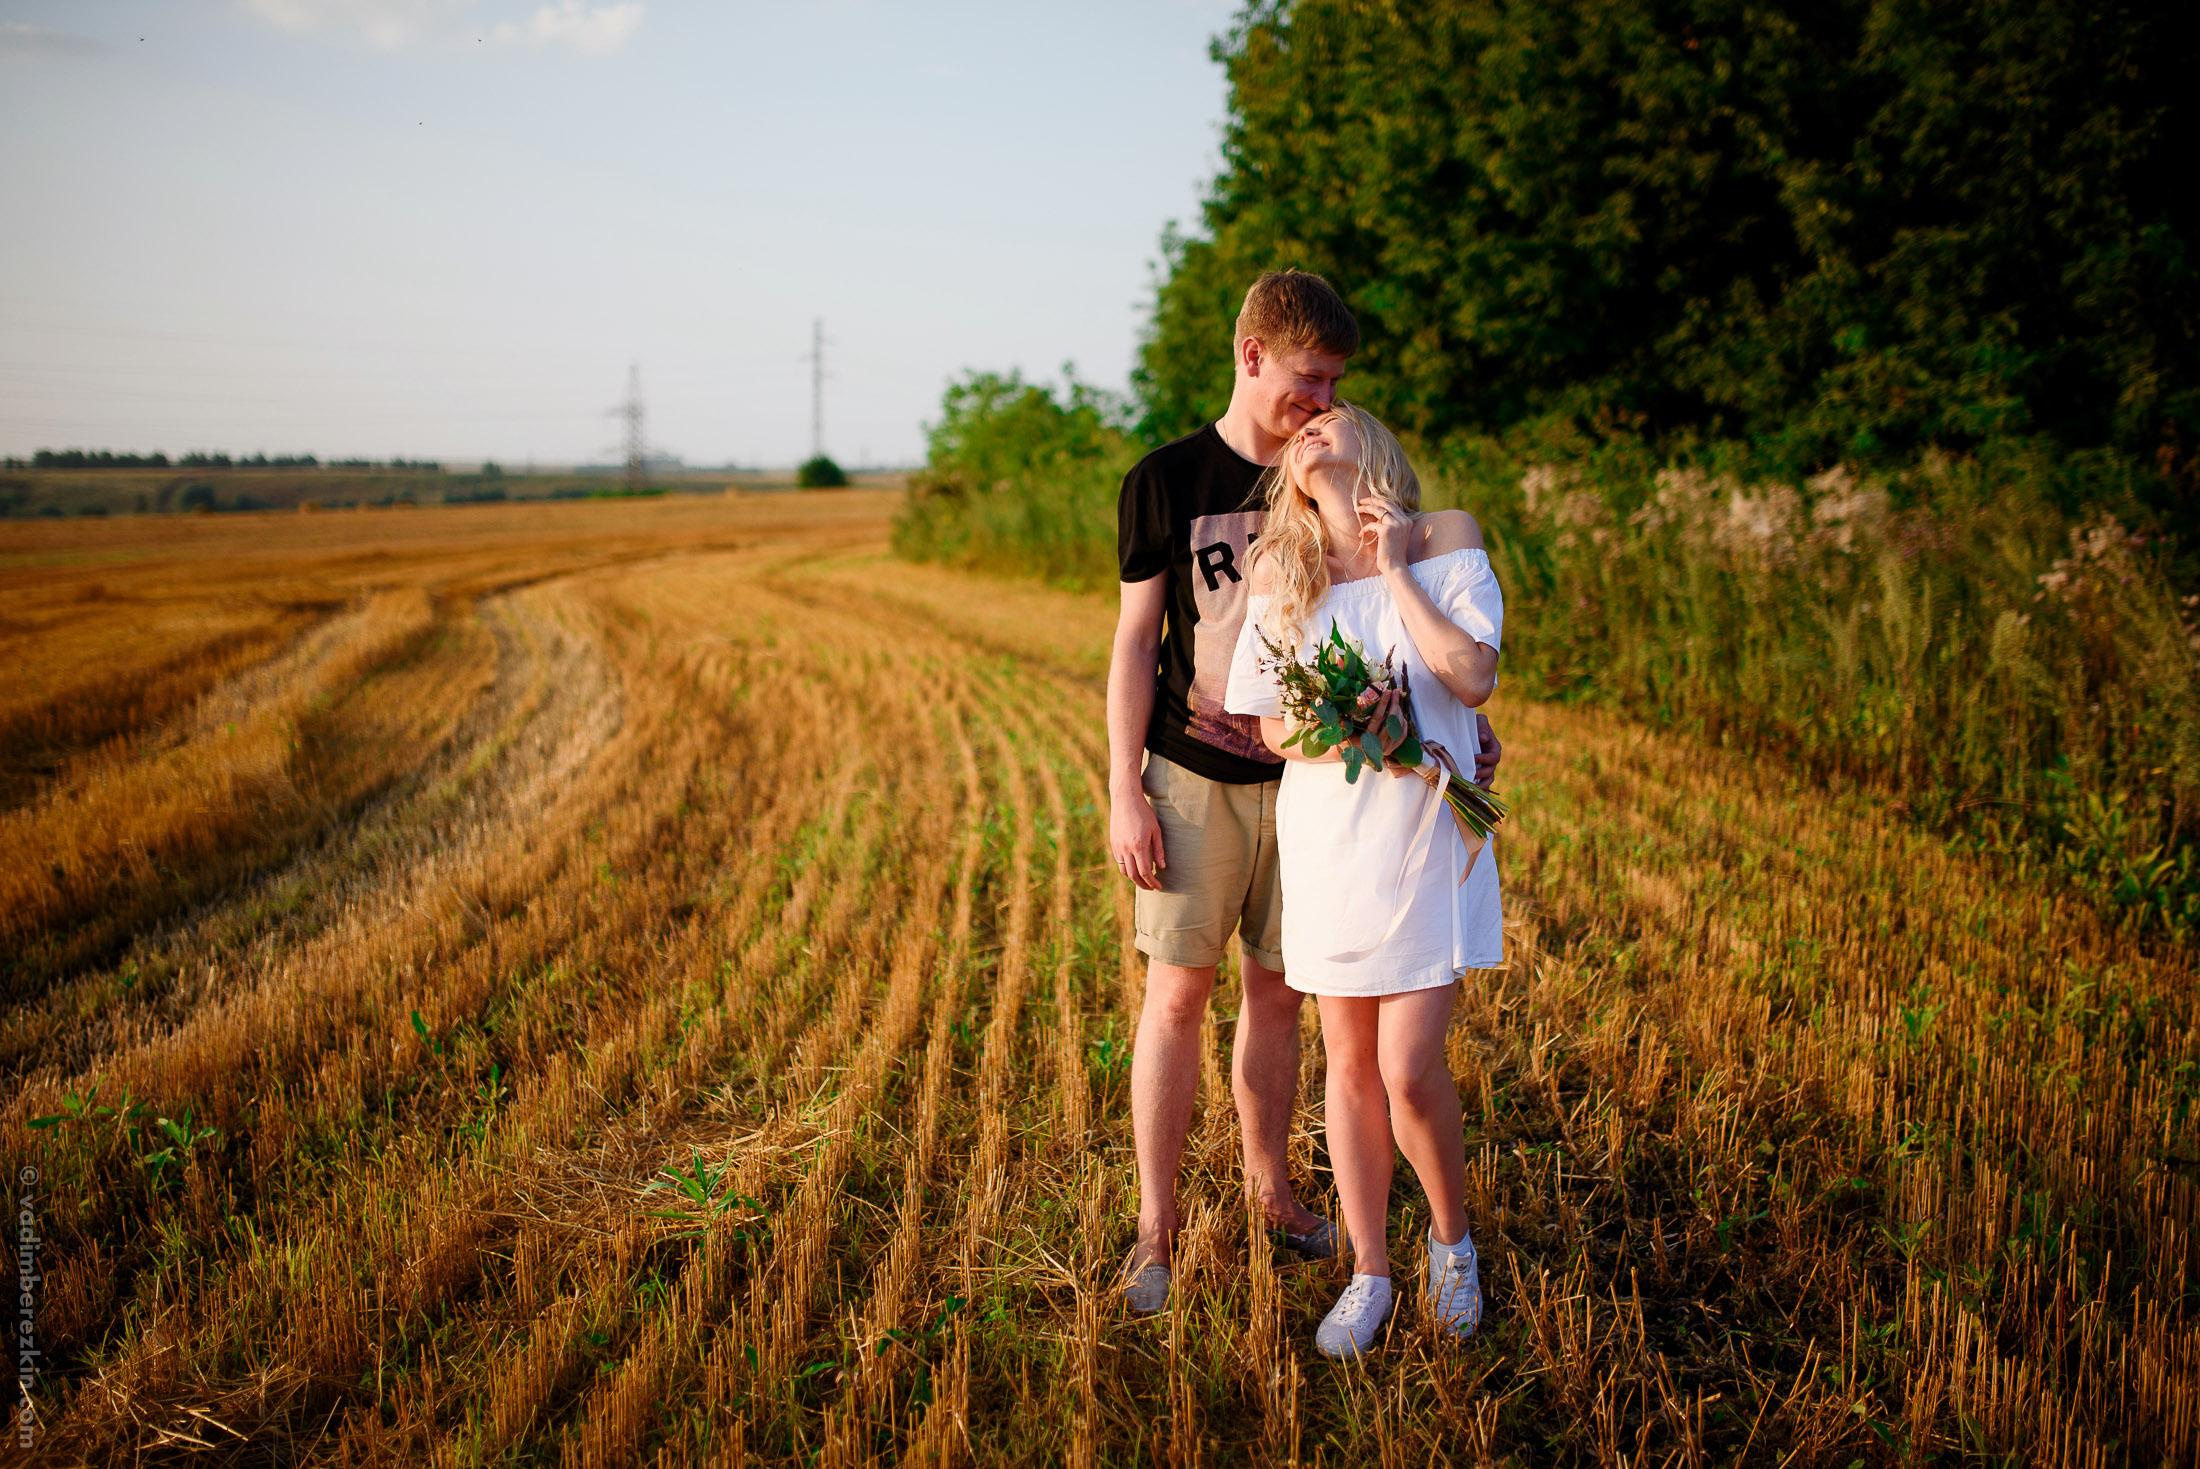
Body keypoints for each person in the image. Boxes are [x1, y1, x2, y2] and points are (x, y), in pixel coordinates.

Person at [1109, 270, 1501, 1315]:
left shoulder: (1368, 497)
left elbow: (1438, 653)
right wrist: (1124, 787)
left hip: (1338, 806)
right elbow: (1138, 642)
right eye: (1307, 379)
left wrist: (1454, 724)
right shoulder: (1171, 480)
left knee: (1291, 1003)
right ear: (1251, 355)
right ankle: (1157, 1229)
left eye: (1336, 387)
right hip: (1201, 775)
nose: (1321, 402)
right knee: (1180, 994)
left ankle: (1276, 1193)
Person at [1222, 401, 1502, 1358]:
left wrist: (1392, 572)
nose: (1311, 428)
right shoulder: (1279, 565)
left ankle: (1453, 1248)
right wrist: (1359, 729)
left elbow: (1470, 678)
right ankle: (1370, 1269)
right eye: (1300, 429)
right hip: (1332, 837)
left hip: (1428, 832)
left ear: (1374, 442)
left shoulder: (1443, 537)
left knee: (1409, 1071)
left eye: (1332, 416)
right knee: (1348, 1066)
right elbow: (1268, 723)